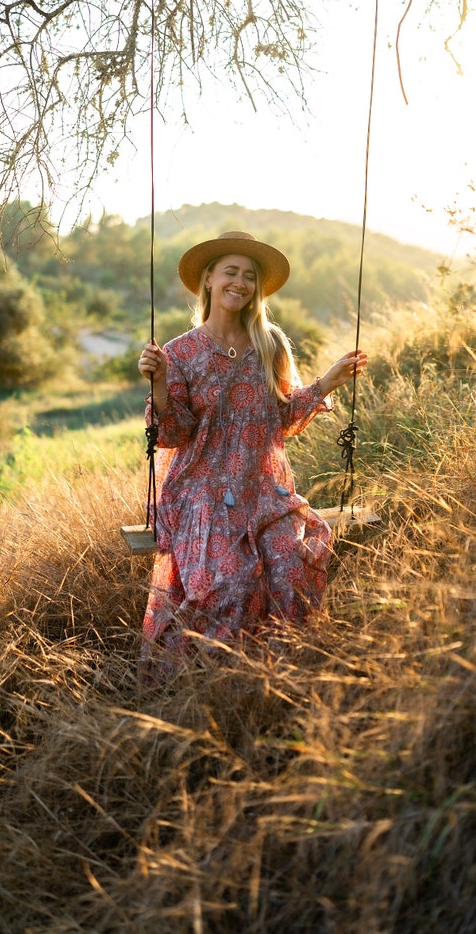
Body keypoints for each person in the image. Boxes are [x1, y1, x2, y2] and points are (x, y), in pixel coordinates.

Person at [137, 230, 367, 660]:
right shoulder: (179, 353)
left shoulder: (270, 344)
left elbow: (282, 418)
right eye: (230, 272)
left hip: (263, 489)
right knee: (229, 583)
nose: (239, 283)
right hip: (201, 490)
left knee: (291, 570)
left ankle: (277, 673)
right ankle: (204, 680)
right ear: (208, 279)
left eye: (248, 276)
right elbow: (172, 433)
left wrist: (327, 383)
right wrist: (160, 386)